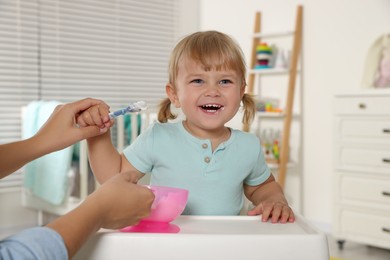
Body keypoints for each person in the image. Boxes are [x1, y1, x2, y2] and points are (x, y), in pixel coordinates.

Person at [77, 31, 295, 223]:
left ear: (241, 91)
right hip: (169, 243)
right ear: (174, 94)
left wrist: (274, 200)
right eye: (198, 81)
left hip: (225, 245)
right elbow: (112, 177)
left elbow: (261, 187)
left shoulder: (249, 146)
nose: (213, 91)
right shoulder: (159, 137)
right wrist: (97, 136)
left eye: (225, 81)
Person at [0, 98, 154, 259]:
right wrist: (98, 211)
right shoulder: (155, 136)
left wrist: (39, 142)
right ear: (172, 93)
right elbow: (116, 175)